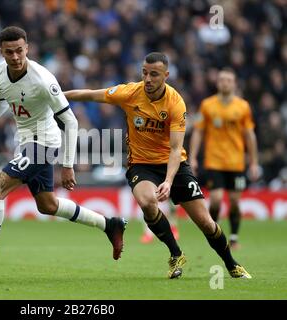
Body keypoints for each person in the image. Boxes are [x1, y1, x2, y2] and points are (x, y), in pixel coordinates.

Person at [0, 26, 127, 282]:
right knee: (47, 205)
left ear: (28, 49)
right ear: (1, 52)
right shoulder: (1, 74)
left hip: (43, 144)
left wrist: (67, 164)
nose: (15, 57)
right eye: (9, 52)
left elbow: (71, 122)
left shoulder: (43, 80)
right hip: (25, 142)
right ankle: (109, 224)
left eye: (19, 51)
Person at [64, 52, 251, 279]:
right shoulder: (130, 92)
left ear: (166, 75)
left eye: (154, 74)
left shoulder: (175, 102)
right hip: (141, 164)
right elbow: (90, 95)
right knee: (147, 202)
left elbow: (175, 149)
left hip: (174, 165)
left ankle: (231, 264)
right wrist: (55, 96)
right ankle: (175, 254)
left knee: (205, 222)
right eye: (144, 73)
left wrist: (169, 181)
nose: (148, 79)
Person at [189, 68, 260, 250]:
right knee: (216, 199)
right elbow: (198, 131)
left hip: (236, 162)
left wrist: (253, 162)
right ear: (217, 83)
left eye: (228, 80)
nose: (224, 83)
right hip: (214, 161)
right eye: (221, 80)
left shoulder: (243, 106)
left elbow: (249, 135)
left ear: (234, 83)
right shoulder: (207, 105)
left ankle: (234, 237)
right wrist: (193, 157)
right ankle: (215, 234)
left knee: (235, 201)